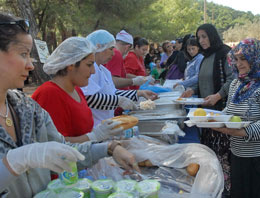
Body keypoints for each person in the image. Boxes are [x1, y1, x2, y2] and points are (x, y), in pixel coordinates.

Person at [0, 13, 140, 197]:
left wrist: (108, 148)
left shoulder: (26, 107)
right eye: (23, 54)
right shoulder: (48, 94)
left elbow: (62, 148)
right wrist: (18, 160)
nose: (30, 65)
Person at [32, 37, 123, 143]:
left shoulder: (77, 90)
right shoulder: (49, 94)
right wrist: (94, 137)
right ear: (71, 65)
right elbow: (54, 144)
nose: (93, 71)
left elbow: (82, 131)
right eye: (89, 65)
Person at [181, 24, 234, 196]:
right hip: (207, 115)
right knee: (211, 156)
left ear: (212, 35)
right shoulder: (205, 56)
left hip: (221, 114)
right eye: (199, 37)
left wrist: (218, 95)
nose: (202, 41)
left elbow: (232, 80)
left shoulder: (224, 53)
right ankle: (214, 189)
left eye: (205, 36)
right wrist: (192, 91)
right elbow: (202, 81)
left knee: (222, 156)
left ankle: (225, 190)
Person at [212, 38, 260, 198]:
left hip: (256, 157)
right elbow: (228, 111)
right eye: (236, 59)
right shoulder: (235, 84)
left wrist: (242, 132)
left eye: (244, 59)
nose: (239, 64)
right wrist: (215, 118)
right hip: (236, 154)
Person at [81, 30, 158, 127]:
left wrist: (138, 93)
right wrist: (118, 101)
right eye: (111, 49)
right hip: (95, 125)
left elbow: (113, 92)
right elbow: (88, 98)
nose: (113, 54)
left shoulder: (104, 71)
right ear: (99, 47)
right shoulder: (89, 70)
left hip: (106, 123)